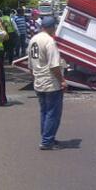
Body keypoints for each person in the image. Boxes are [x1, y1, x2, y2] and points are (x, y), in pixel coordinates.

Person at [28, 16, 67, 150]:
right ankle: (46, 141)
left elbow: (30, 65)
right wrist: (62, 81)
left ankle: (47, 137)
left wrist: (34, 79)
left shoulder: (33, 40)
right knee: (53, 113)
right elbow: (54, 66)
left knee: (44, 111)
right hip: (50, 83)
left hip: (38, 81)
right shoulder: (50, 42)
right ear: (52, 27)